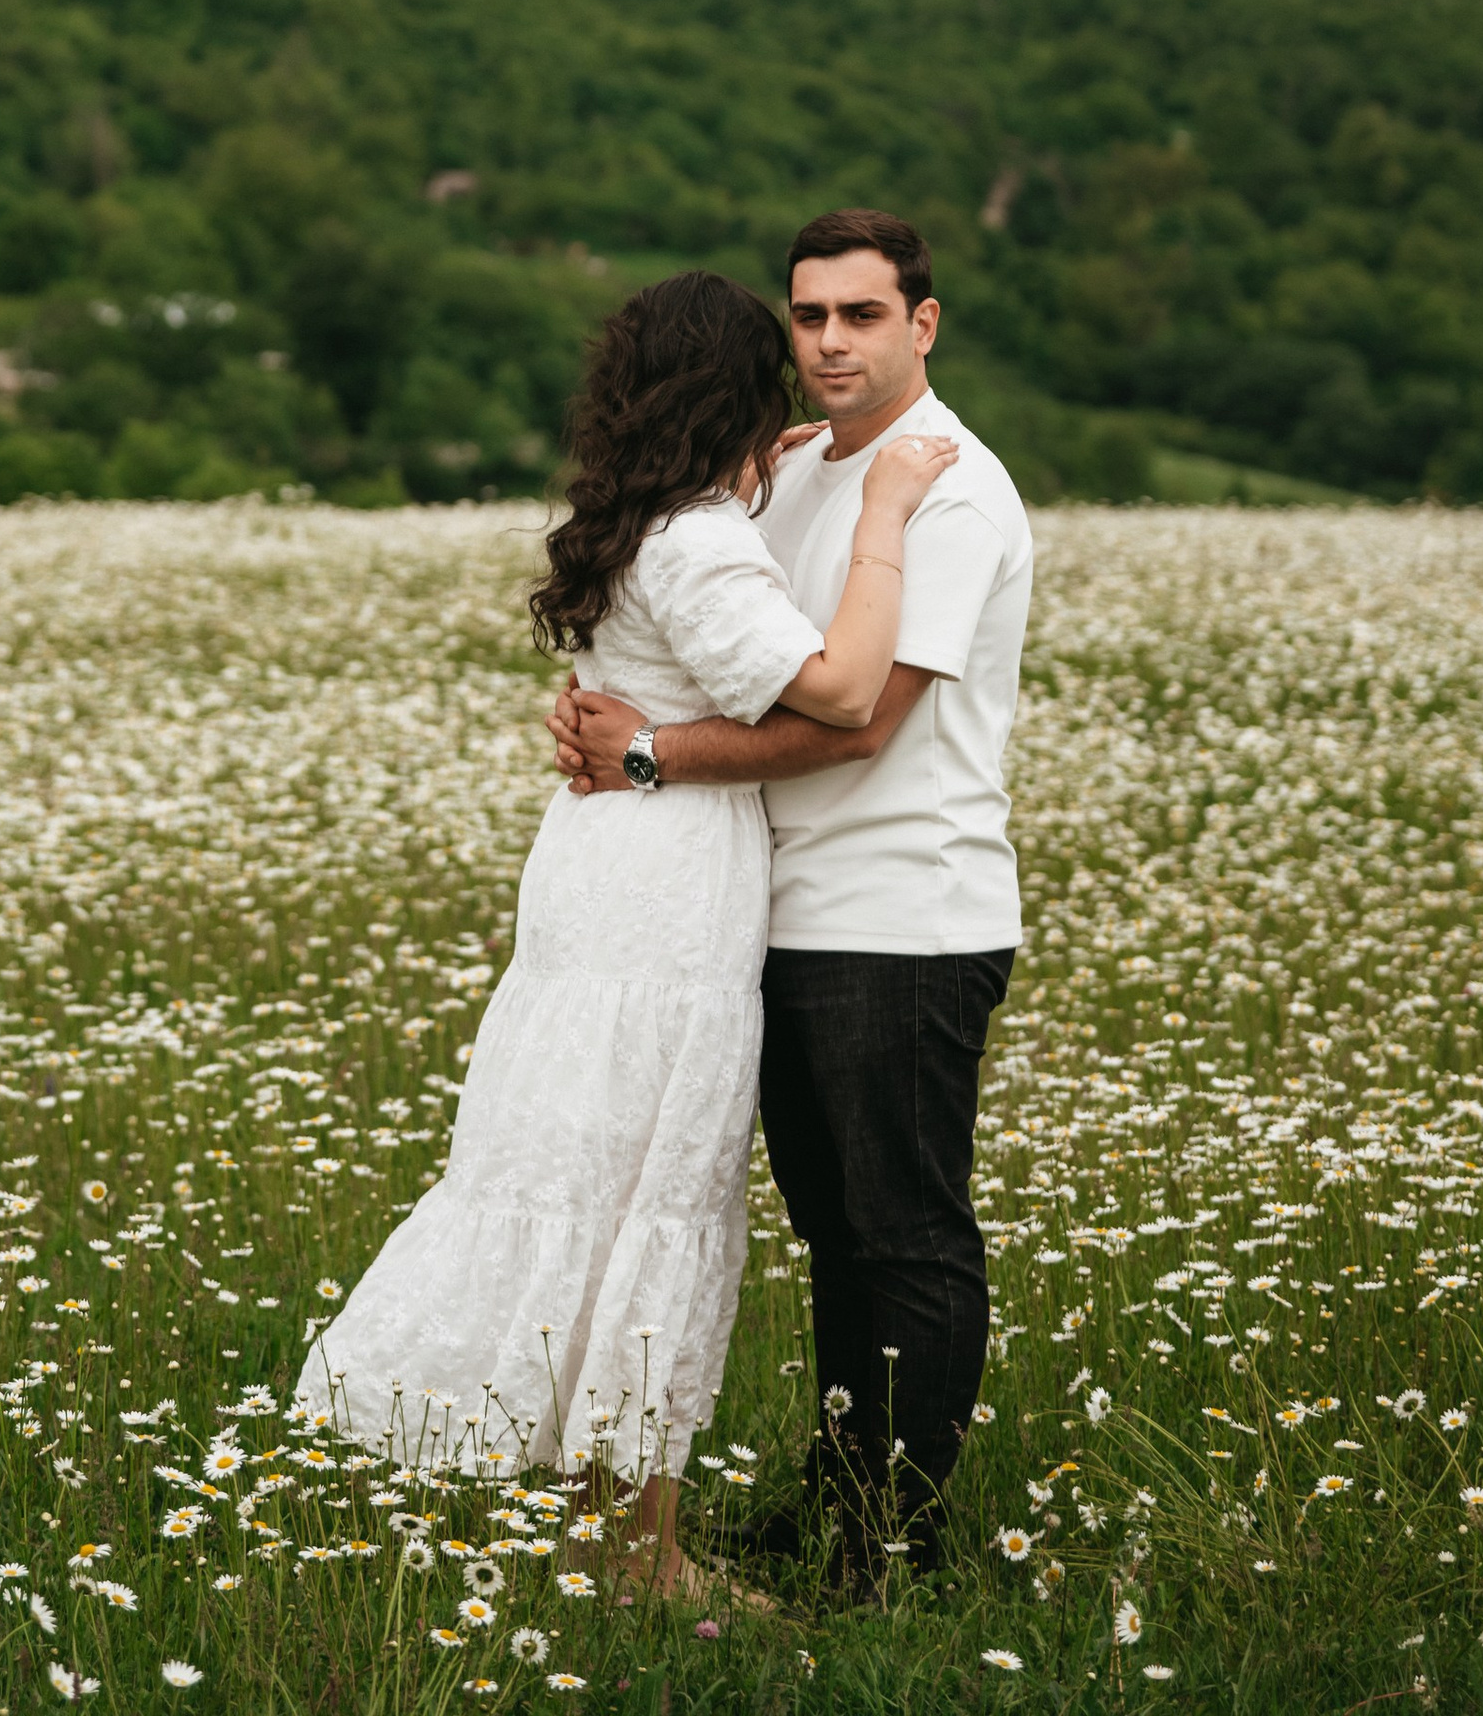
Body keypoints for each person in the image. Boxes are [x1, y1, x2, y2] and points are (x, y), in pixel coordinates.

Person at [291, 268, 957, 1591]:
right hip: (664, 886)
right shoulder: (701, 535)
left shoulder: (633, 513)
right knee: (652, 1182)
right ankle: (636, 1545)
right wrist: (883, 508)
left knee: (607, 1176)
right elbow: (831, 689)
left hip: (604, 863)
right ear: (735, 392)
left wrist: (795, 451)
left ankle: (610, 1518)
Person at [549, 209, 1034, 1585]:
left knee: (907, 1234)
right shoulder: (799, 466)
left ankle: (897, 1547)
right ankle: (842, 1502)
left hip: (903, 911)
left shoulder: (949, 488)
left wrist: (644, 751)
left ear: (921, 324)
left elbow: (861, 717)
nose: (829, 339)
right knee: (836, 1238)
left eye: (862, 314)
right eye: (809, 314)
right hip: (779, 907)